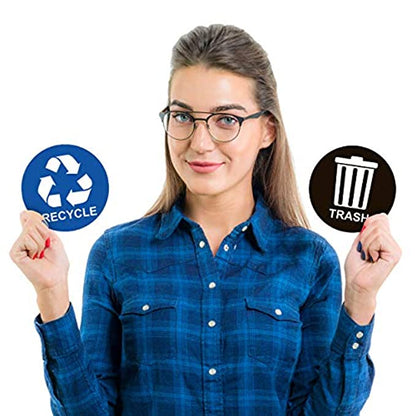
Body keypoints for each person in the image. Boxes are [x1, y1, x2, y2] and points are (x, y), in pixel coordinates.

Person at [10, 24, 401, 416]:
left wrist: (361, 299)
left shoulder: (309, 260)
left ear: (267, 130)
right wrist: (51, 293)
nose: (199, 142)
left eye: (226, 120)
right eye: (183, 116)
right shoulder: (117, 254)